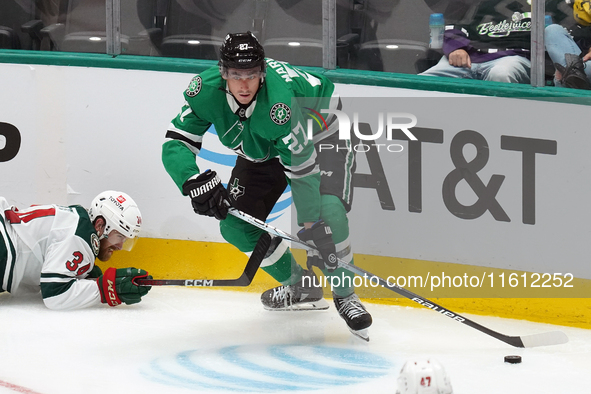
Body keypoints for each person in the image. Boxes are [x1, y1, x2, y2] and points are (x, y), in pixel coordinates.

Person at [162, 31, 373, 339]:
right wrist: (191, 179)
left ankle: (345, 295)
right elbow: (177, 141)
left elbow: (301, 169)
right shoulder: (204, 90)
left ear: (262, 73)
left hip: (323, 134)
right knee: (235, 226)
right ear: (223, 73)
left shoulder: (280, 103)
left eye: (251, 75)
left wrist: (311, 222)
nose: (244, 84)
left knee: (329, 215)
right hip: (263, 146)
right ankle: (301, 286)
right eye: (236, 75)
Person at [0, 190, 152, 310]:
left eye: (125, 240)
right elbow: (55, 295)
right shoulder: (80, 237)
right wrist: (104, 289)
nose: (119, 246)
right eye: (119, 236)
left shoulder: (77, 220)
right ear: (100, 225)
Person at [419, 0, 531, 83]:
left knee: (500, 73)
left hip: (513, 57)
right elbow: (455, 27)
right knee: (422, 83)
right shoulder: (482, 4)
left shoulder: (541, 5)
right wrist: (456, 48)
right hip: (468, 58)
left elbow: (547, 36)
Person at [545, 0, 591, 89]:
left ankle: (571, 77)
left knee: (563, 75)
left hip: (587, 66)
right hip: (573, 67)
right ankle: (573, 75)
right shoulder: (554, 5)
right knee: (553, 30)